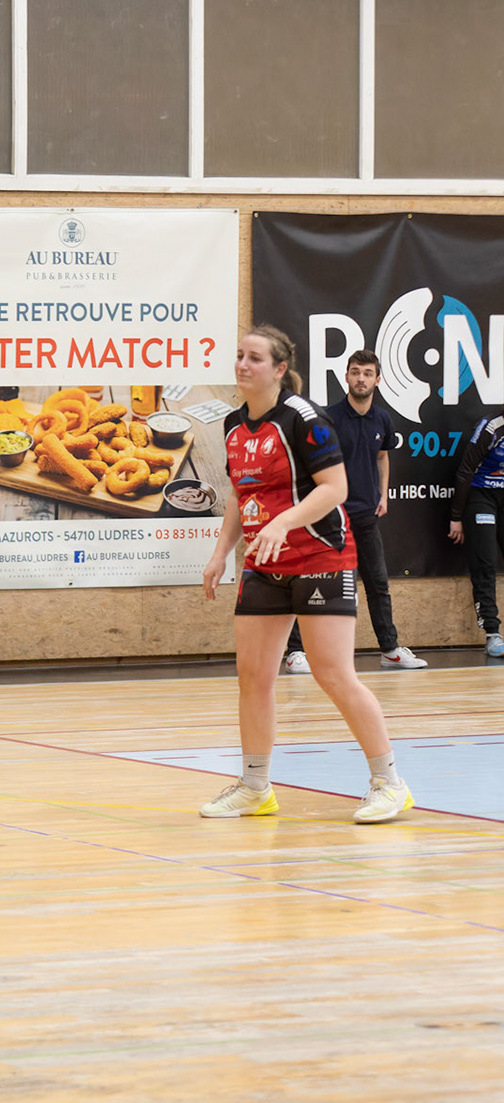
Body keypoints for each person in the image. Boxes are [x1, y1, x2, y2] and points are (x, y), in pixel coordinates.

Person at [199, 326, 412, 824]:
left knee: (332, 673)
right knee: (253, 677)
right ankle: (255, 786)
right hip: (264, 562)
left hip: (320, 556)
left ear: (279, 368)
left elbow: (334, 488)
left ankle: (390, 783)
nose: (243, 364)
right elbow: (239, 495)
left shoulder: (304, 418)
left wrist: (282, 523)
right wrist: (220, 552)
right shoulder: (232, 424)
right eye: (239, 355)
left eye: (255, 358)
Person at [280, 350, 425, 673]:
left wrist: (383, 495)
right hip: (330, 517)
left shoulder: (382, 419)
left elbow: (382, 456)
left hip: (366, 516)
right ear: (346, 377)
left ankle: (390, 650)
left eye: (367, 373)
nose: (361, 378)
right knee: (311, 582)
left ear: (377, 380)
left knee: (378, 584)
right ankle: (296, 652)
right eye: (356, 372)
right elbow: (311, 465)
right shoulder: (328, 418)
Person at [449, 410, 504, 658]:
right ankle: (492, 634)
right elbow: (466, 470)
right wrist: (456, 517)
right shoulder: (492, 426)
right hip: (482, 496)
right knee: (485, 564)